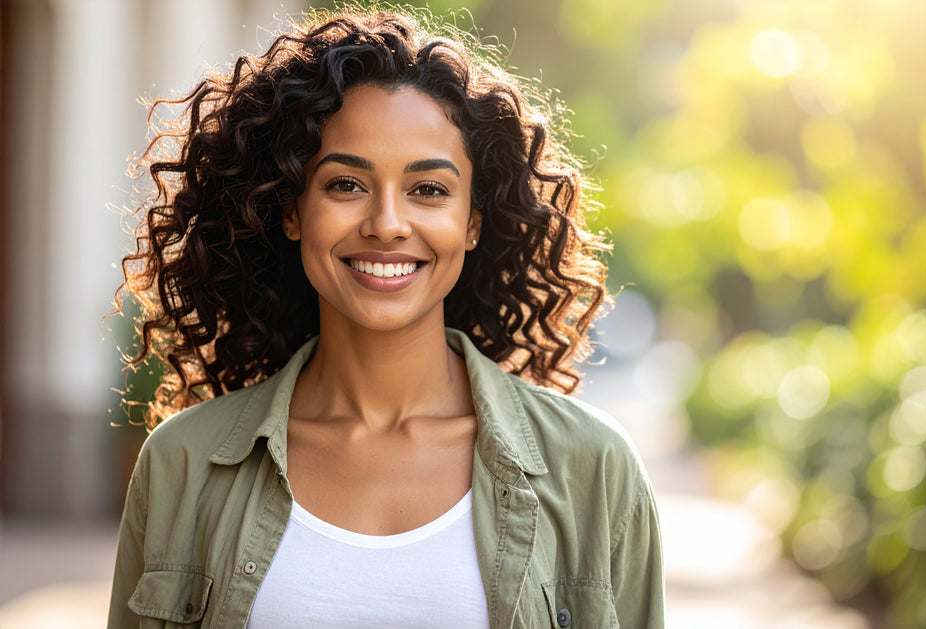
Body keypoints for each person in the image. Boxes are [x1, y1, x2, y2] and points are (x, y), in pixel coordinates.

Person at [107, 6, 664, 628]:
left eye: (429, 190)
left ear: (473, 222)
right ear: (292, 211)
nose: (388, 223)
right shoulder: (182, 463)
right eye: (346, 184)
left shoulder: (594, 468)